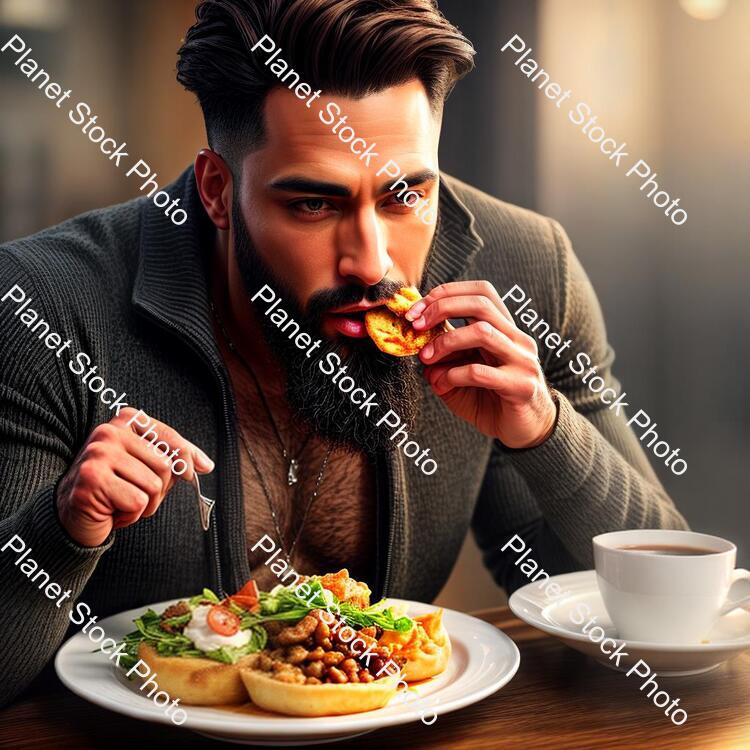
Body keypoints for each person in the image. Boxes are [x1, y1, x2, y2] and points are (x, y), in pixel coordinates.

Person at [0, 0, 687, 706]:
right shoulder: (41, 304)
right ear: (215, 189)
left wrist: (546, 431)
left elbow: (660, 620)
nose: (371, 261)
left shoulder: (527, 270)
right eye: (313, 206)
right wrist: (60, 531)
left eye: (405, 196)